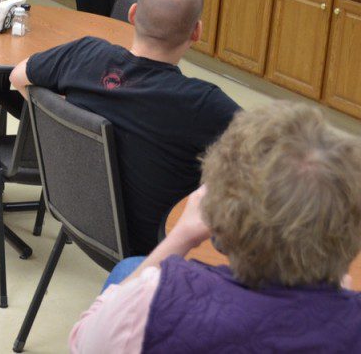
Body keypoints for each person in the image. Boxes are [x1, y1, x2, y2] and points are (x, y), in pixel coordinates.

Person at [70, 103, 361, 352]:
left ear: (219, 224)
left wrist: (182, 235)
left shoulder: (153, 298)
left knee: (128, 268)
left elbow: (83, 340)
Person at [10, 0, 239, 255]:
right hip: (156, 249)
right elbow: (275, 160)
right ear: (197, 32)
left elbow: (18, 76)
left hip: (80, 221)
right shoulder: (202, 104)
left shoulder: (85, 54)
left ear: (132, 14)